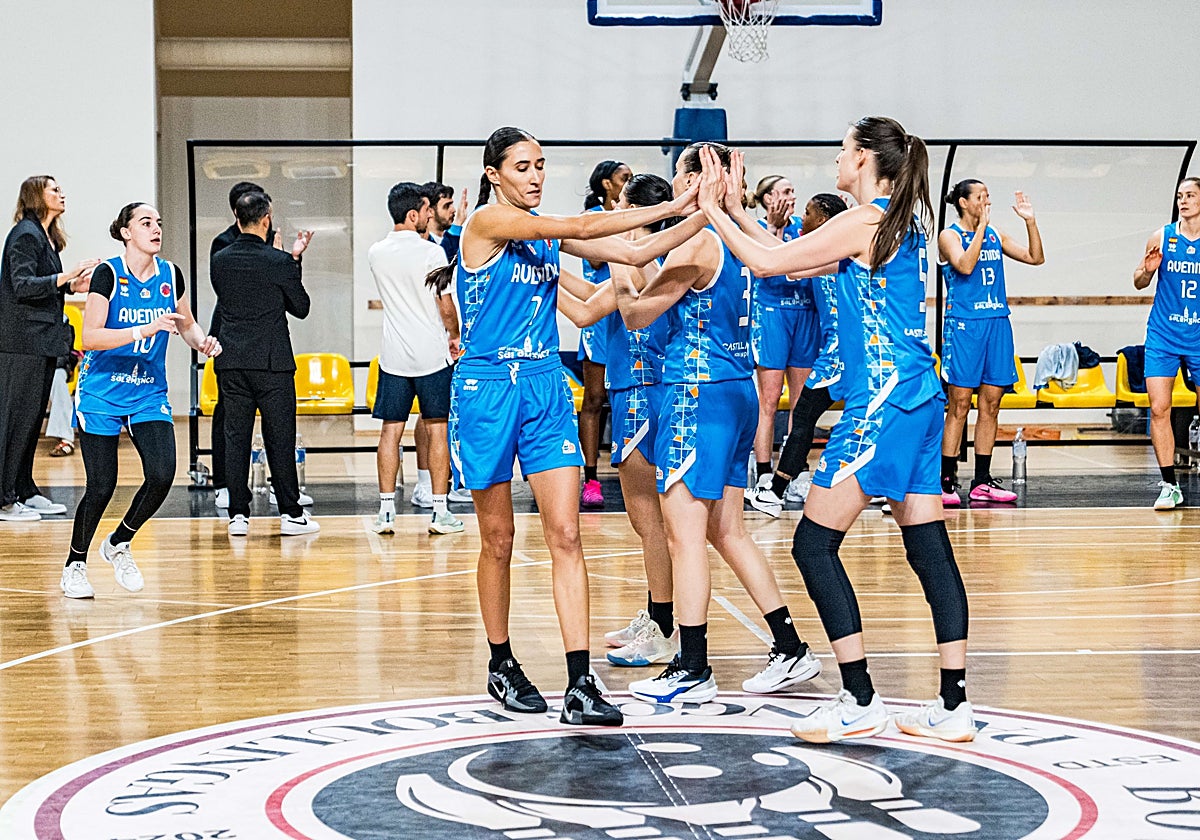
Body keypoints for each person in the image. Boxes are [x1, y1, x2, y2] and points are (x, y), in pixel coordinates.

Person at [696, 118, 974, 744]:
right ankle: (954, 705)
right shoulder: (897, 222)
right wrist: (739, 210)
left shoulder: (865, 221)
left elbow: (767, 264)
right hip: (918, 396)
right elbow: (791, 263)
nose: (837, 158)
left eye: (846, 149)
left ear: (868, 160)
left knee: (812, 546)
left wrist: (714, 210)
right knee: (927, 546)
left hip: (882, 402)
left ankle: (858, 697)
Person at [445, 126, 694, 727]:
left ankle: (581, 681)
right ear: (493, 175)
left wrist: (702, 222)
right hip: (486, 387)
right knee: (499, 538)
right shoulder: (486, 224)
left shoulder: (544, 244)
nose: (535, 175)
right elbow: (584, 227)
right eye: (523, 166)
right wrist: (673, 204)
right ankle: (501, 663)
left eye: (541, 165)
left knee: (566, 534)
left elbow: (603, 287)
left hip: (544, 386)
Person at [613, 142, 822, 706]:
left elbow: (635, 314)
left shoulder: (704, 239)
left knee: (684, 537)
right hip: (738, 391)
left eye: (682, 177)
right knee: (728, 531)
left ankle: (693, 664)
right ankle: (789, 645)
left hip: (696, 391)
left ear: (697, 181)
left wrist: (620, 253)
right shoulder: (748, 235)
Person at [60, 202, 221, 598]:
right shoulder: (107, 274)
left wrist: (202, 342)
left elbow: (185, 323)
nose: (156, 229)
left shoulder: (170, 275)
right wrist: (142, 329)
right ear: (126, 232)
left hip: (148, 390)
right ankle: (74, 565)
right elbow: (91, 337)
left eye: (159, 223)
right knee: (102, 484)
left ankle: (118, 543)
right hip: (101, 390)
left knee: (163, 473)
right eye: (146, 223)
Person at [597, 174, 679, 668]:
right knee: (645, 518)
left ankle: (665, 625)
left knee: (650, 518)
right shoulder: (639, 262)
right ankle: (657, 613)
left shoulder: (644, 262)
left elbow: (604, 309)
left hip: (644, 389)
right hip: (632, 387)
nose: (614, 214)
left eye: (621, 207)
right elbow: (590, 305)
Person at [210, 191, 318, 537]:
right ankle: (291, 514)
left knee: (236, 437)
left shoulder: (220, 259)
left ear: (237, 218)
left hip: (232, 359)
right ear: (267, 219)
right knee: (279, 438)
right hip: (272, 362)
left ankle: (237, 514)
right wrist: (294, 261)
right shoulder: (278, 261)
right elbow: (300, 307)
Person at [939, 179, 1044, 505]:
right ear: (963, 203)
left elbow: (1035, 257)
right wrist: (982, 228)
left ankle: (982, 481)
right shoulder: (950, 236)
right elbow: (965, 265)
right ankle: (945, 481)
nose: (986, 202)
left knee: (991, 405)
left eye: (987, 196)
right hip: (965, 327)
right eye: (980, 197)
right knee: (958, 405)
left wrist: (1030, 221)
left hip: (997, 323)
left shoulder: (995, 233)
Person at [0, 175, 97, 522]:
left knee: (30, 422)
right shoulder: (25, 234)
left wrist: (71, 284)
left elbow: (42, 287)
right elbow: (22, 286)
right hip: (21, 343)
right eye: (54, 189)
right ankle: (4, 497)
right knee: (15, 421)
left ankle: (24, 489)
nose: (61, 193)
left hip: (41, 341)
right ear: (36, 196)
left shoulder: (45, 237)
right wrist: (66, 276)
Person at [369, 182, 464, 536]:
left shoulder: (375, 252)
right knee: (438, 430)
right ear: (413, 215)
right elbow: (445, 305)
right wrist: (454, 336)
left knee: (389, 432)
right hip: (432, 356)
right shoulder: (431, 254)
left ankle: (385, 513)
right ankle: (440, 513)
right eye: (426, 210)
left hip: (393, 357)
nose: (430, 216)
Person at [745, 193, 849, 516]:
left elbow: (779, 256)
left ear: (824, 219)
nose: (802, 219)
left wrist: (736, 215)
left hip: (843, 349)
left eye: (808, 213)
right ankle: (779, 486)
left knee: (804, 415)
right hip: (845, 348)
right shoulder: (832, 248)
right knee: (820, 416)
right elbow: (779, 254)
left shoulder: (835, 251)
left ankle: (776, 489)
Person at [745, 176, 821, 499]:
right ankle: (763, 472)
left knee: (801, 401)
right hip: (773, 314)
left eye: (794, 189)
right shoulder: (756, 229)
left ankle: (795, 471)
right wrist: (774, 230)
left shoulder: (805, 226)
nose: (792, 195)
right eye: (786, 190)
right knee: (770, 399)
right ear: (768, 198)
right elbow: (767, 264)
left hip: (805, 312)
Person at [1134, 175, 1200, 510]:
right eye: (1180, 195)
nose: (1184, 200)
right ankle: (1170, 485)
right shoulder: (1163, 236)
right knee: (1159, 408)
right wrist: (1147, 271)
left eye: (1190, 195)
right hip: (1164, 334)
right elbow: (1138, 281)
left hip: (1198, 334)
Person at [577, 159, 632, 509]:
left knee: (629, 392)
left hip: (628, 308)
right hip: (598, 313)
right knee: (595, 399)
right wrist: (621, 221)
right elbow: (598, 259)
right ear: (605, 185)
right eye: (624, 177)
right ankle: (591, 477)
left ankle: (636, 470)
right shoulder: (592, 218)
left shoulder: (631, 214)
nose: (629, 181)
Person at [46, 312, 81, 457]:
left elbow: (65, 352)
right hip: (26, 368)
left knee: (57, 380)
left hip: (55, 367)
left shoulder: (62, 319)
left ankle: (66, 438)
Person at [422, 181, 468, 263]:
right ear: (430, 211)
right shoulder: (423, 242)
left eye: (452, 204)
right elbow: (443, 265)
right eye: (446, 206)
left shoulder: (455, 238)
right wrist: (457, 225)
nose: (453, 210)